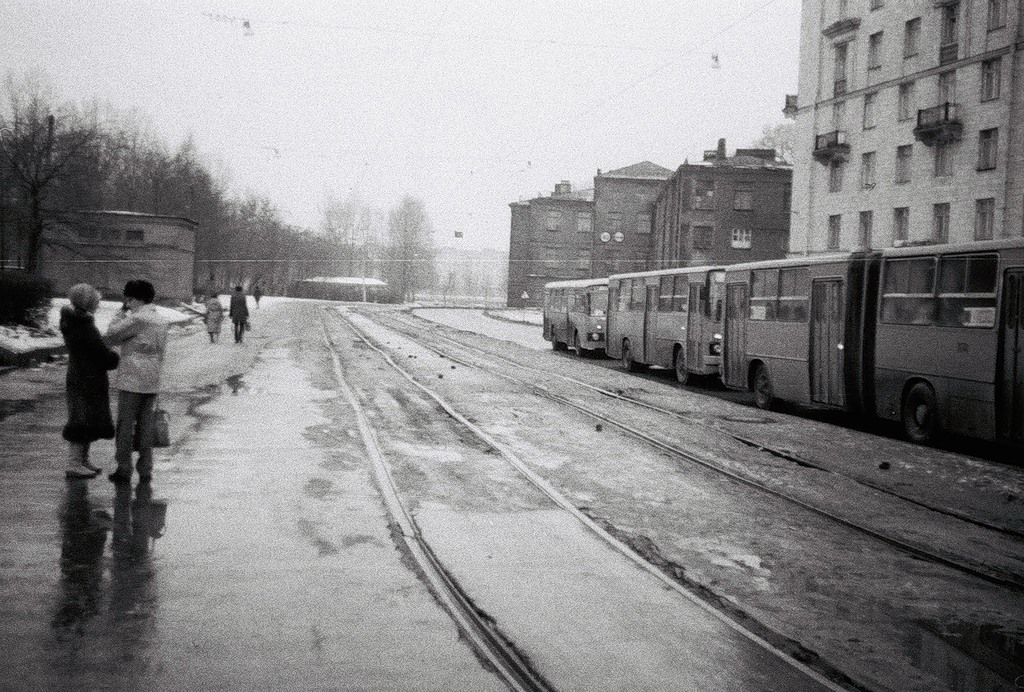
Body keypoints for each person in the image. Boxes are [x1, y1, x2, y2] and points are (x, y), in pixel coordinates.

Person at [105, 280, 168, 485]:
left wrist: (120, 314)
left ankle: (124, 468)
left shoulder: (137, 319)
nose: (127, 303)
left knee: (125, 425)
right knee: (145, 425)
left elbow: (112, 335)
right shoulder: (160, 319)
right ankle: (146, 468)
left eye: (128, 299)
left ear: (134, 299)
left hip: (132, 378)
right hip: (152, 378)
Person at [59, 283, 120, 479]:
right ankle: (74, 463)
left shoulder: (73, 321)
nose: (98, 304)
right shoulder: (84, 326)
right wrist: (113, 356)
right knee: (81, 420)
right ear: (88, 302)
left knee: (86, 418)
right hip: (87, 378)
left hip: (81, 375)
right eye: (96, 301)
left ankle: (82, 460)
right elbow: (100, 353)